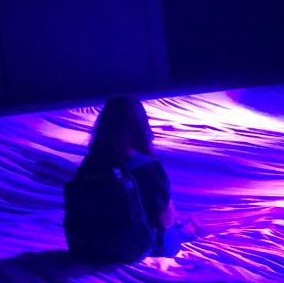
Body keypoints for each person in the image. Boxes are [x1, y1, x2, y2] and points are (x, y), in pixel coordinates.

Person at [64, 95, 199, 262]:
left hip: (90, 246)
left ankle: (183, 230)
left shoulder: (90, 165)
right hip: (135, 245)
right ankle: (187, 232)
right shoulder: (149, 167)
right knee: (173, 229)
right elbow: (166, 221)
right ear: (141, 127)